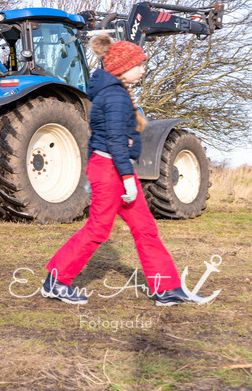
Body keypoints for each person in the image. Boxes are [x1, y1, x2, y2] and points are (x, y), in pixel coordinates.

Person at [42, 35, 207, 306]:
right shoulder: (116, 95)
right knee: (98, 230)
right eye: (139, 64)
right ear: (122, 66)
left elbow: (98, 138)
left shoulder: (114, 92)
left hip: (111, 168)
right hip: (112, 171)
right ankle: (56, 281)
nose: (143, 69)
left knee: (146, 229)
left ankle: (166, 289)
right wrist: (128, 178)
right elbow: (115, 140)